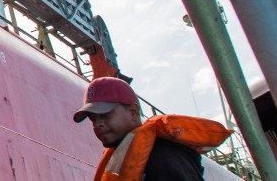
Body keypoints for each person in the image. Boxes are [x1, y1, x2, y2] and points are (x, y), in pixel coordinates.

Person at [74, 77, 233, 180]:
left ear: (133, 112)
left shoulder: (163, 155)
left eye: (106, 115)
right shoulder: (127, 155)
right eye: (93, 119)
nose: (98, 124)